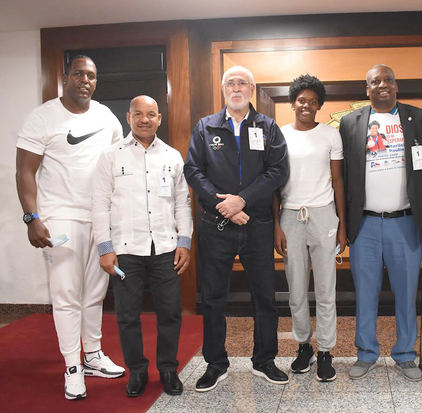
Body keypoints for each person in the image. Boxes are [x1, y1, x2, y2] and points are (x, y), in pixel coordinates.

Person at [15, 55, 125, 400]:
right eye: (78, 73)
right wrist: (32, 218)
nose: (85, 80)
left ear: (96, 81)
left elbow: (118, 168)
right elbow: (24, 171)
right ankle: (73, 366)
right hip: (59, 218)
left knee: (95, 294)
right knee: (66, 297)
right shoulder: (43, 116)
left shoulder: (106, 118)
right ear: (65, 77)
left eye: (91, 75)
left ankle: (92, 355)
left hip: (99, 219)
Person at [184, 66, 289, 392]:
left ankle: (265, 360)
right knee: (213, 297)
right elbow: (193, 170)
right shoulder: (206, 127)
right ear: (223, 89)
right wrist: (224, 206)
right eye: (231, 83)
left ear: (252, 89)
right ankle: (215, 364)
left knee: (265, 296)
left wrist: (241, 201)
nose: (236, 87)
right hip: (216, 224)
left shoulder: (267, 127)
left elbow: (278, 171)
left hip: (257, 223)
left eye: (242, 82)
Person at [340, 64, 422, 381]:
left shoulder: (418, 118)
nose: (382, 85)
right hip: (364, 224)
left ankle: (405, 354)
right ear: (366, 88)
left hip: (405, 222)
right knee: (365, 292)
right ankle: (366, 353)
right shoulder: (350, 122)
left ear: (397, 86)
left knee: (406, 293)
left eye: (388, 80)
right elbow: (341, 175)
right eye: (374, 81)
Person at [91, 95, 193, 397]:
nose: (144, 119)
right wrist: (104, 248)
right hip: (125, 252)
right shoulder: (110, 156)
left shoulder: (173, 156)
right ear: (128, 117)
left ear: (159, 118)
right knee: (126, 315)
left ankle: (167, 369)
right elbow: (99, 204)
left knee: (170, 312)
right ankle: (136, 371)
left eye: (151, 114)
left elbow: (182, 203)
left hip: (165, 249)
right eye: (138, 114)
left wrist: (184, 242)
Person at [272, 74, 347, 382]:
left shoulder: (331, 135)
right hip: (290, 215)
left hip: (324, 215)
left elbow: (338, 180)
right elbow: (273, 183)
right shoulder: (279, 135)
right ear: (293, 103)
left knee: (326, 289)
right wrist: (276, 224)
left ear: (319, 106)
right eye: (301, 100)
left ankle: (326, 350)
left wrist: (342, 225)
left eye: (312, 101)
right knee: (297, 287)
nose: (306, 105)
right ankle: (304, 346)